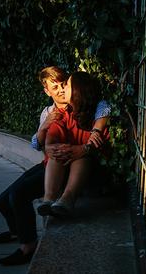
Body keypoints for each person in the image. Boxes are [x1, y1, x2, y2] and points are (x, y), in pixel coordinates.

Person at [0, 66, 110, 266]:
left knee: (18, 195)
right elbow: (37, 144)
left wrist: (85, 142)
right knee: (2, 202)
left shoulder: (87, 106)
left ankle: (27, 247)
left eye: (64, 85)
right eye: (55, 87)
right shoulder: (49, 112)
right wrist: (46, 127)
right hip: (50, 160)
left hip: (67, 164)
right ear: (47, 91)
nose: (62, 90)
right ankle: (17, 231)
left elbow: (101, 116)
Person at [37, 71, 110, 217]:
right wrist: (53, 148)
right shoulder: (62, 114)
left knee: (81, 158)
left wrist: (83, 149)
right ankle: (48, 199)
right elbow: (51, 136)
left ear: (78, 90)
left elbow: (100, 144)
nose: (63, 89)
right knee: (58, 154)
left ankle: (67, 198)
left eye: (66, 85)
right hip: (63, 161)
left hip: (92, 167)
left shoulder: (98, 113)